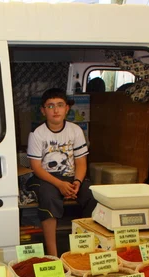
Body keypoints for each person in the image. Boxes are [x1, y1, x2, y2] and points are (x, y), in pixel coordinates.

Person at [26, 88, 96, 257]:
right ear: (43, 110)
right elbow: (36, 167)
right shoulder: (37, 134)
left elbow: (81, 163)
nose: (55, 110)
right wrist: (59, 184)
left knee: (93, 195)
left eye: (60, 105)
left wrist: (77, 183)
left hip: (72, 177)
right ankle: (54, 255)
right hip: (46, 178)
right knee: (49, 198)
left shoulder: (75, 131)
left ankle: (83, 250)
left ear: (67, 109)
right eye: (50, 106)